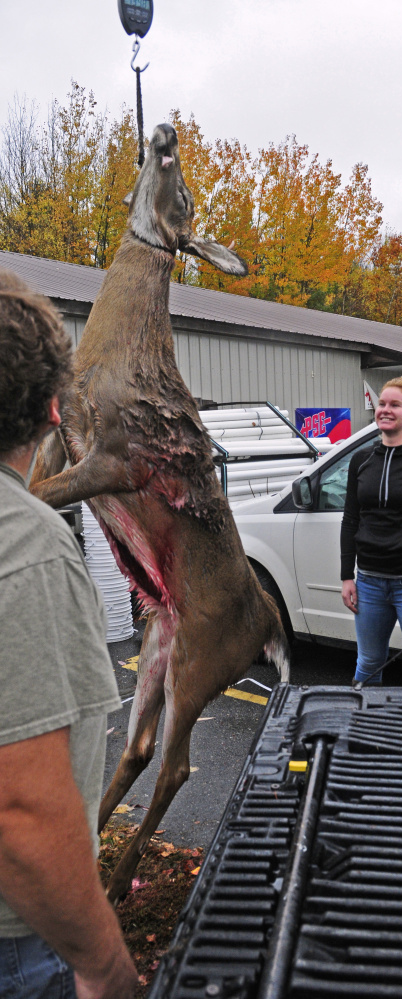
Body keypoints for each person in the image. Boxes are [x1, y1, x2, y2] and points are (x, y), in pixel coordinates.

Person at [0, 269, 137, 999]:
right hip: (15, 944)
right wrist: (104, 962)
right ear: (53, 408)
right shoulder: (23, 544)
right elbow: (20, 813)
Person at [341, 375, 402, 686]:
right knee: (369, 661)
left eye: (395, 404)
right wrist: (347, 576)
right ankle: (364, 726)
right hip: (369, 581)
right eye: (381, 403)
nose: (385, 409)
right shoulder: (361, 459)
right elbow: (351, 519)